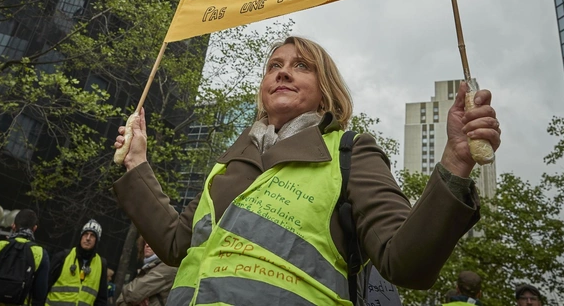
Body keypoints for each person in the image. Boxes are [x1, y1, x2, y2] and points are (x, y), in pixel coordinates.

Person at [113, 36, 502, 305]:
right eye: (274, 66)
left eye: (301, 66)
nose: (282, 72)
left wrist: (454, 162)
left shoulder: (351, 152)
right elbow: (176, 245)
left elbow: (405, 262)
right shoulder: (226, 165)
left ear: (326, 90)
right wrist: (136, 162)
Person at [47, 220, 108, 306]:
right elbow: (43, 288)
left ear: (96, 241)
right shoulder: (62, 257)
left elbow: (101, 300)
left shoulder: (101, 264)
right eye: (85, 234)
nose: (88, 238)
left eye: (92, 235)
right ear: (81, 237)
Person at [116, 240, 177, 306]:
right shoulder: (150, 267)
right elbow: (121, 300)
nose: (147, 245)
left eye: (152, 242)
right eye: (145, 242)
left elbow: (133, 293)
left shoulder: (166, 268)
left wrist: (128, 297)